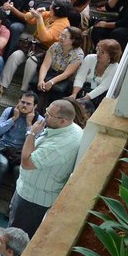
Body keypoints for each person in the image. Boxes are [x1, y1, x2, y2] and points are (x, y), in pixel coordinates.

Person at [9, 99, 83, 237]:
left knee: (15, 241)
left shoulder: (62, 144)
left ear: (63, 121)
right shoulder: (66, 128)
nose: (45, 116)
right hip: (26, 190)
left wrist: (31, 133)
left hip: (33, 201)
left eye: (49, 115)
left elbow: (26, 163)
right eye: (47, 111)